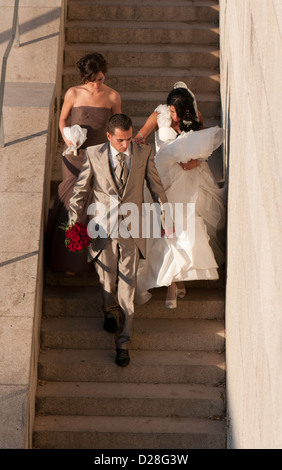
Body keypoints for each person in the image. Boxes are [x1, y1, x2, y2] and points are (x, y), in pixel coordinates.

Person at [67, 114, 169, 367]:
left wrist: (165, 217)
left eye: (128, 138)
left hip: (132, 229)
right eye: (121, 140)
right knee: (106, 277)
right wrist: (73, 222)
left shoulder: (143, 153)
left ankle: (124, 343)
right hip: (101, 226)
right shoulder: (93, 154)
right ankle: (109, 310)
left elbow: (156, 187)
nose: (126, 144)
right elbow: (80, 190)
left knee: (128, 283)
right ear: (109, 136)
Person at [134, 82, 226, 308]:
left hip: (189, 180)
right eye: (171, 112)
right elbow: (139, 138)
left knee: (185, 229)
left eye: (177, 113)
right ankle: (172, 286)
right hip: (163, 181)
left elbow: (204, 147)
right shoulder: (159, 115)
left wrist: (196, 161)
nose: (174, 118)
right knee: (166, 229)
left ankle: (177, 280)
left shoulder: (195, 117)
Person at [46, 52, 121, 274]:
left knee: (92, 204)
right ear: (84, 77)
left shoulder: (113, 97)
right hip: (74, 154)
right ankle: (66, 259)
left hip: (99, 156)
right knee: (70, 201)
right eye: (92, 80)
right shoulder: (73, 93)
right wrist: (66, 136)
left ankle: (89, 261)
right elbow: (62, 119)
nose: (97, 84)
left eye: (100, 79)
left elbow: (117, 127)